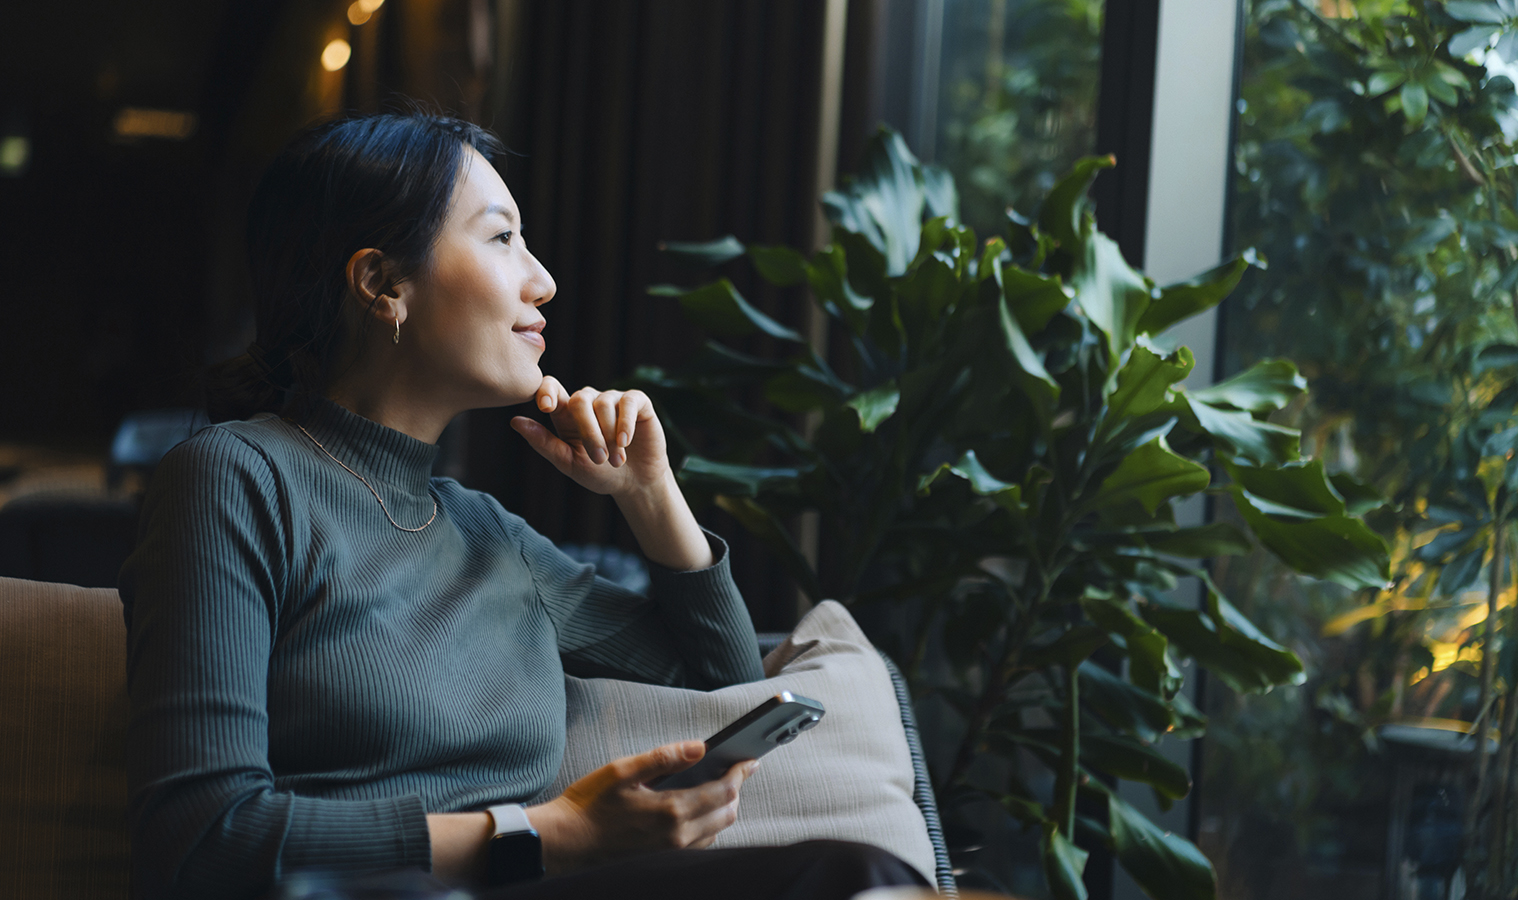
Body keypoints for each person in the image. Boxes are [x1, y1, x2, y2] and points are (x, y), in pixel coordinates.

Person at [118, 112, 928, 900]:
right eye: (503, 238)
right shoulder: (233, 478)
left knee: (859, 876)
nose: (542, 280)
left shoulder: (490, 536)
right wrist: (551, 833)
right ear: (382, 284)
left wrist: (651, 495)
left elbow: (724, 682)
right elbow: (199, 839)